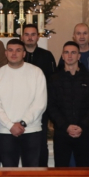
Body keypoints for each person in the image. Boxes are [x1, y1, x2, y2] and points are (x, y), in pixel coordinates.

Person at [0, 39, 47, 167]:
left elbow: (40, 103)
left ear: (24, 54)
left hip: (31, 130)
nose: (14, 53)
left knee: (31, 175)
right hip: (6, 131)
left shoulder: (36, 72)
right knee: (9, 174)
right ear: (5, 53)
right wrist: (10, 125)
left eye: (18, 50)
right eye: (10, 50)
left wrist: (22, 123)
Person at [47, 42, 89, 167]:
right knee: (61, 172)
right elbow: (51, 106)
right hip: (62, 132)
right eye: (66, 52)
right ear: (62, 56)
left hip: (84, 132)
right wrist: (66, 126)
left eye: (73, 52)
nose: (70, 55)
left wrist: (82, 126)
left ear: (79, 56)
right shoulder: (54, 79)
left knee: (84, 172)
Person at [21, 24, 56, 167]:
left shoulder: (46, 56)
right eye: (27, 34)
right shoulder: (17, 55)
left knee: (41, 143)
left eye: (33, 34)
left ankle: (42, 173)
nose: (30, 37)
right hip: (20, 107)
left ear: (38, 36)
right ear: (22, 37)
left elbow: (52, 82)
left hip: (41, 107)